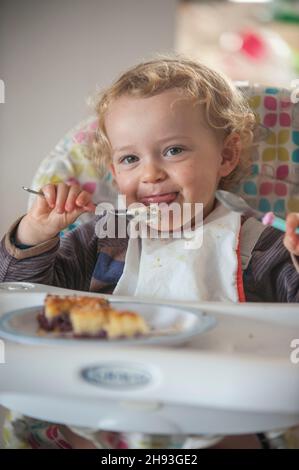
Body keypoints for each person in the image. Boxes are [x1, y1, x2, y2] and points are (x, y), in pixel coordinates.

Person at [1, 56, 299, 449]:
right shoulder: (102, 238)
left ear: (226, 156)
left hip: (223, 410)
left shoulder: (259, 246)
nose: (150, 174)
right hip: (98, 406)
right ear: (113, 170)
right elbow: (18, 299)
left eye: (174, 150)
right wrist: (35, 234)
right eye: (130, 159)